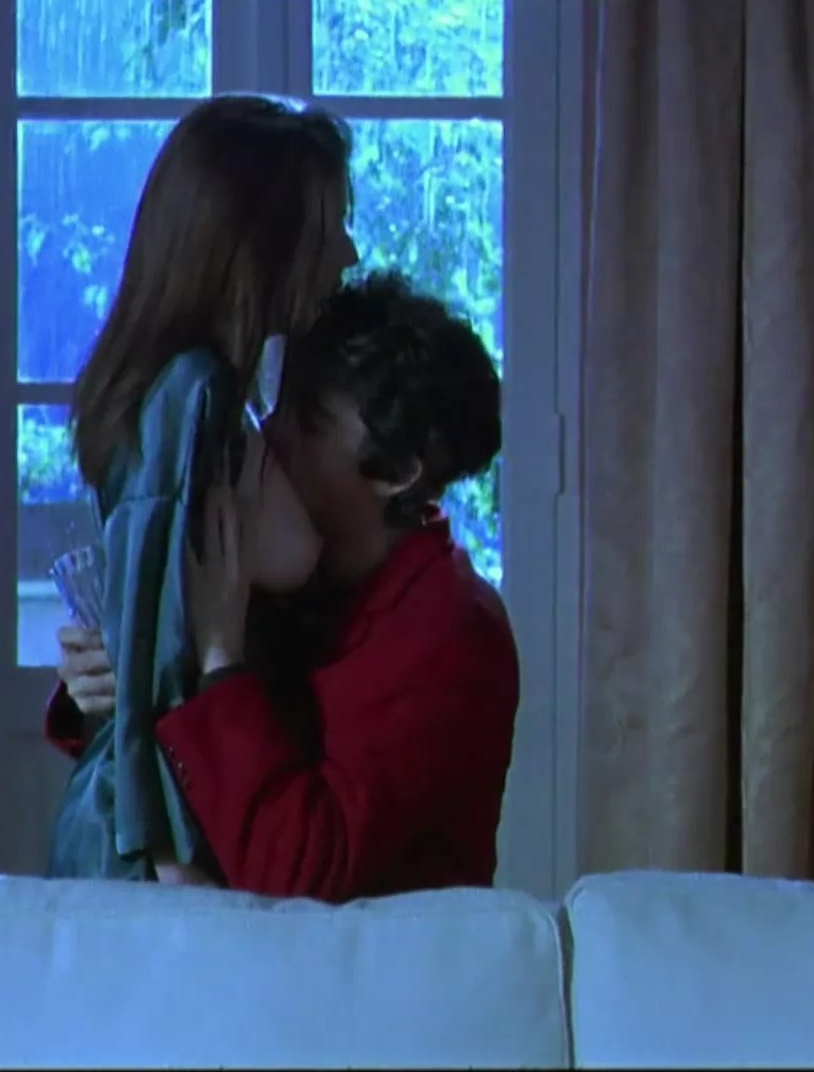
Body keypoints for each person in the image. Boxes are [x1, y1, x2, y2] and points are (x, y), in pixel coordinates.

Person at [48, 271, 519, 904]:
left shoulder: (451, 630)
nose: (271, 434)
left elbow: (308, 872)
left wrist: (221, 658)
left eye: (307, 420)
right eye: (278, 404)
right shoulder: (303, 575)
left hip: (382, 962)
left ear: (395, 473)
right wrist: (108, 685)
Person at [44, 94, 360, 885]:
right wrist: (178, 874)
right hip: (160, 864)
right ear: (260, 242)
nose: (348, 254)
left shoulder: (210, 397)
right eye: (328, 228)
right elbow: (161, 671)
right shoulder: (193, 397)